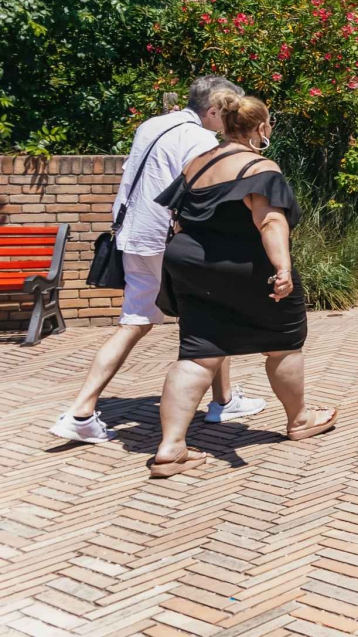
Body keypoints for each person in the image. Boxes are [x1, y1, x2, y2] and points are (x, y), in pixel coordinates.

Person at [49, 76, 264, 446]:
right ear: (212, 109)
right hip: (169, 240)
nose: (229, 119)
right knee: (212, 316)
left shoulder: (152, 125)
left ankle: (81, 411)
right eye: (226, 111)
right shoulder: (198, 139)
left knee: (134, 321)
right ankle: (222, 403)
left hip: (132, 235)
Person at [149, 90, 334, 477]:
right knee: (283, 341)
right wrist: (282, 268)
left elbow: (179, 220)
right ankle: (300, 419)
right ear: (261, 127)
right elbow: (270, 221)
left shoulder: (196, 165)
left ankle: (170, 448)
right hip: (245, 266)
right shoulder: (259, 167)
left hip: (190, 265)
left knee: (198, 352)